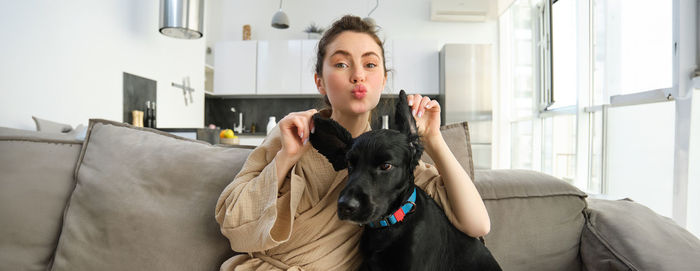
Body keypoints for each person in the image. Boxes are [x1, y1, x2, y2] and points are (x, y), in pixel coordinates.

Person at [215, 15, 490, 271]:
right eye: (341, 64)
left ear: (383, 80)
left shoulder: (395, 158)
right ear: (320, 82)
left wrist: (433, 139)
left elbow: (477, 224)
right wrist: (286, 157)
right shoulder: (290, 133)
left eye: (370, 64)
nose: (358, 75)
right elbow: (233, 224)